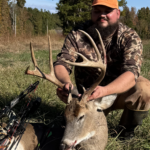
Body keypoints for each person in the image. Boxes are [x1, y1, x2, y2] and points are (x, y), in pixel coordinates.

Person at [53, 0, 150, 139]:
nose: (102, 15)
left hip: (117, 93)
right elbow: (62, 63)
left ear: (117, 13)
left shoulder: (129, 37)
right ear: (92, 13)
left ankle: (125, 132)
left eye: (107, 11)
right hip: (87, 98)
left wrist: (105, 91)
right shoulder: (78, 34)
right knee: (72, 131)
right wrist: (66, 84)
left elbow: (131, 73)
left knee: (145, 89)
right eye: (97, 11)